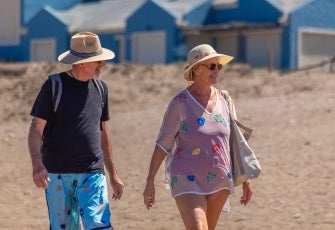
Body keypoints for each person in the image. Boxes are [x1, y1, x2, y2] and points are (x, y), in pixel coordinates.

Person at [143, 44, 253, 229]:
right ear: (196, 70)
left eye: (219, 66)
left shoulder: (225, 99)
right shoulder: (179, 103)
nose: (217, 70)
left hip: (220, 179)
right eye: (211, 66)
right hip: (186, 178)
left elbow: (235, 142)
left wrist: (245, 179)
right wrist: (149, 182)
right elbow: (163, 143)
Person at [27, 31, 124, 230]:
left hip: (92, 172)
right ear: (81, 63)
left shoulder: (101, 89)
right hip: (57, 174)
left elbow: (102, 132)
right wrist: (37, 164)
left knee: (99, 225)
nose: (102, 65)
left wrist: (113, 174)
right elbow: (36, 129)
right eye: (98, 61)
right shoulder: (54, 86)